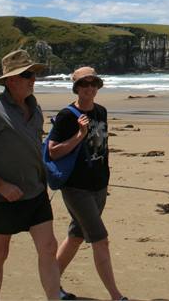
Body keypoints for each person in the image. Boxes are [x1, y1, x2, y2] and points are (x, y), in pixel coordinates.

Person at [0, 49, 61, 300]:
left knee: (49, 248)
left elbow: (33, 147)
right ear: (10, 80)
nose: (33, 80)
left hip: (36, 193)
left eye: (34, 74)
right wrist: (1, 185)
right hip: (2, 199)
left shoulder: (35, 108)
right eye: (27, 75)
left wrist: (46, 172)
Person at [48, 67, 126, 301]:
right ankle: (116, 296)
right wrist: (79, 135)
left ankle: (52, 284)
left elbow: (101, 148)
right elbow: (53, 152)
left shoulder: (101, 111)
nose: (90, 88)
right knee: (100, 239)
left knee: (76, 236)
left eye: (93, 84)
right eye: (84, 84)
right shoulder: (66, 116)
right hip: (76, 188)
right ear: (76, 88)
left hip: (99, 186)